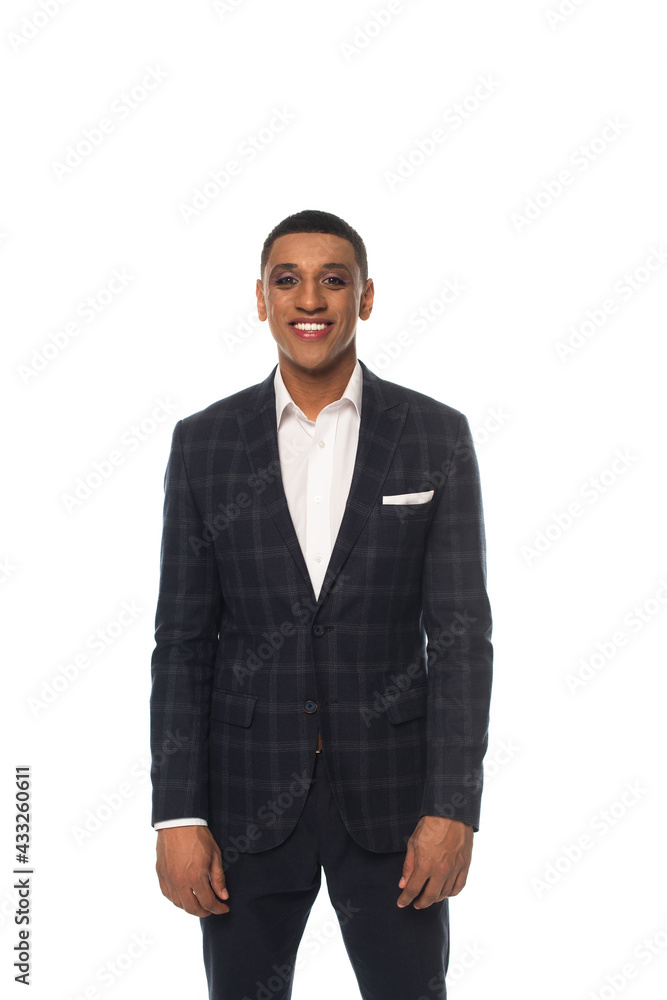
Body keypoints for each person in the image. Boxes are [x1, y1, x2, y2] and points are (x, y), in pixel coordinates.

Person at [150, 209, 493, 999]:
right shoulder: (203, 443)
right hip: (243, 804)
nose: (310, 299)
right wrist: (177, 815)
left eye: (333, 279)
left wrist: (452, 808)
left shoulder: (434, 434)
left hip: (395, 807)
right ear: (261, 299)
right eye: (288, 280)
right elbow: (183, 642)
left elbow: (461, 637)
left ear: (364, 297)